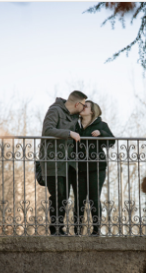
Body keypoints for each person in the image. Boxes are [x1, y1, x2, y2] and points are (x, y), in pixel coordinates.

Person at [40, 90, 87, 235]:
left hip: (67, 164)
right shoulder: (55, 110)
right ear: (77, 104)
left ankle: (60, 229)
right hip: (52, 162)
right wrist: (68, 134)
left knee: (64, 197)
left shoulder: (74, 117)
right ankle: (56, 230)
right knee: (58, 196)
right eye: (83, 105)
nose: (84, 108)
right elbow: (47, 130)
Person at [73, 100, 115, 236]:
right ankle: (78, 231)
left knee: (93, 198)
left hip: (96, 167)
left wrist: (101, 133)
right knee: (79, 200)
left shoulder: (101, 125)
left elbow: (112, 141)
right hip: (78, 168)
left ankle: (96, 230)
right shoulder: (75, 125)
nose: (82, 108)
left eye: (86, 106)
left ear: (92, 111)